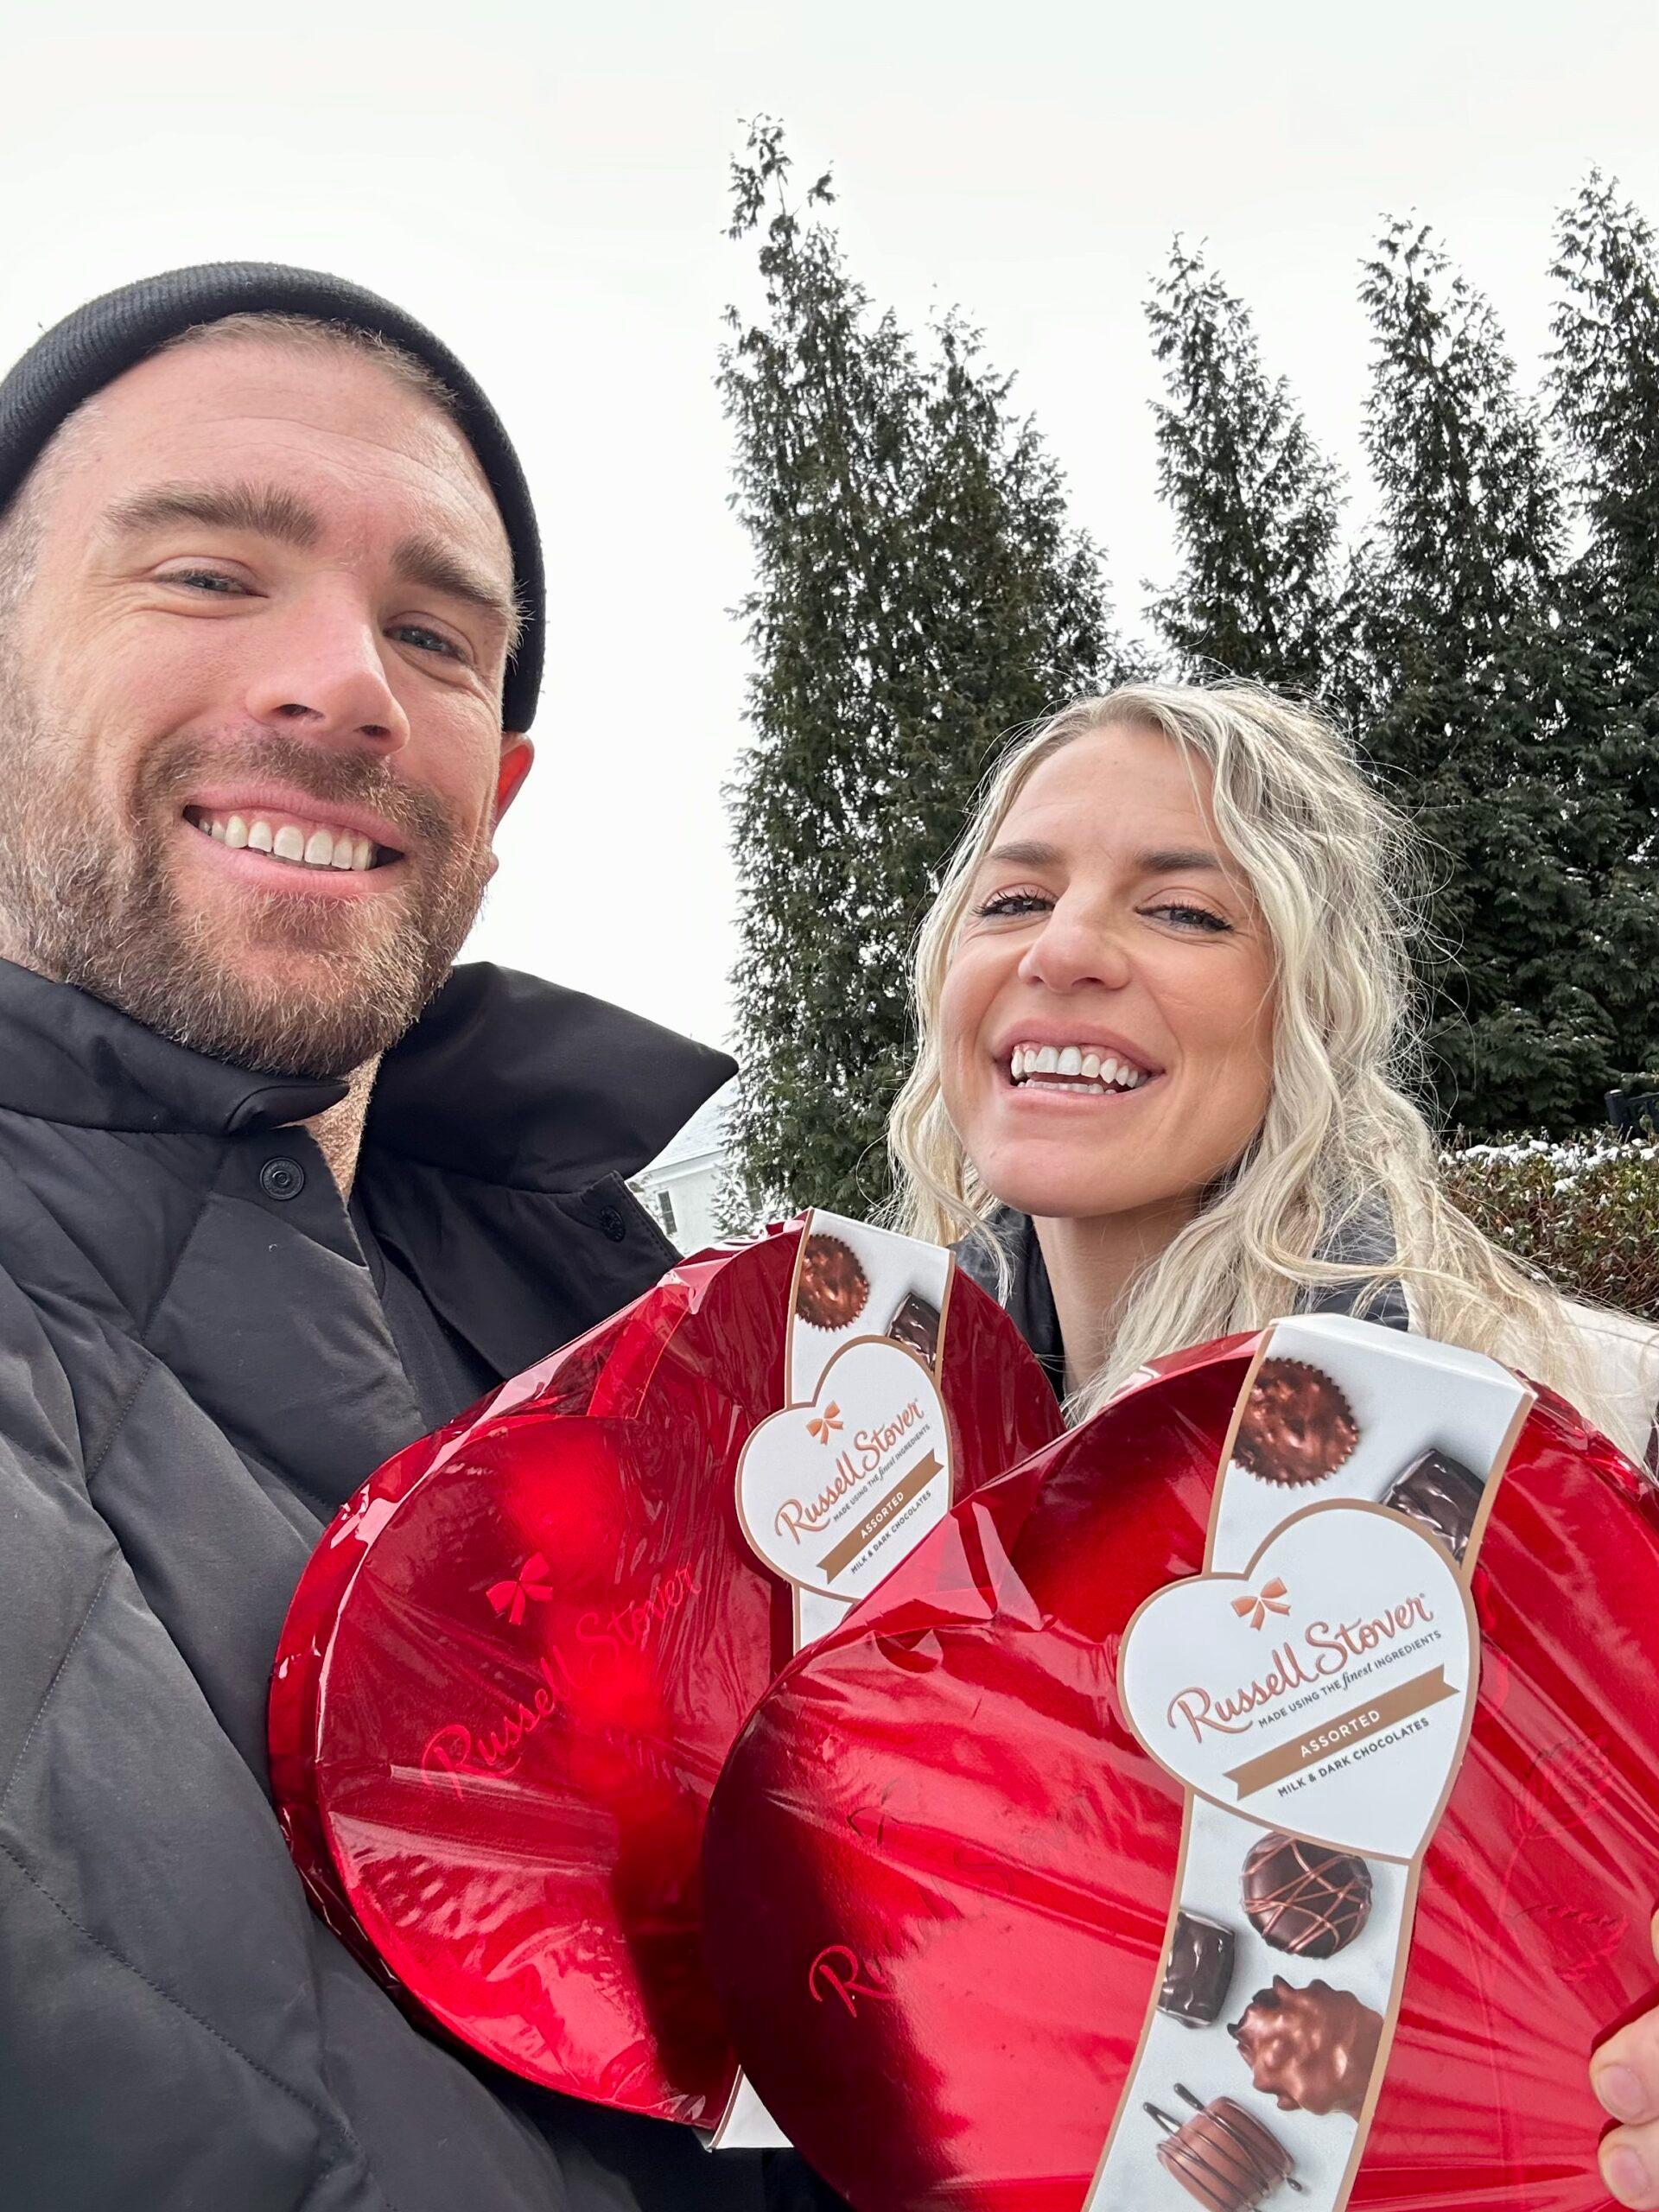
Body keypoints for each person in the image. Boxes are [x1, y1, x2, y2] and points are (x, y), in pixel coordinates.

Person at [0, 265, 821, 2210]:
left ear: (499, 792)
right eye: (206, 573)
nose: (349, 681)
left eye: (438, 635)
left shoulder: (675, 1355)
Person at [885, 680, 1659, 2205]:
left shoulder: (1583, 1444)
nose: (1063, 950)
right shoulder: (882, 1513)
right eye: (1016, 897)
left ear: (1311, 996)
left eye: (1183, 912)